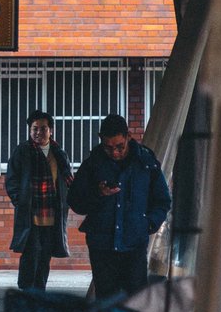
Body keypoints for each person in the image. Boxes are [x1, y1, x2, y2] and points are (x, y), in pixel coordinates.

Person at [67, 113, 171, 299]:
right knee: (106, 301)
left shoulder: (145, 162)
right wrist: (98, 194)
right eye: (108, 148)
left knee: (136, 301)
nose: (114, 152)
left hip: (135, 244)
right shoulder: (93, 164)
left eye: (119, 147)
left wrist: (147, 224)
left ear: (128, 137)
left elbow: (162, 200)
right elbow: (75, 201)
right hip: (102, 246)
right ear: (100, 140)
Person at [4, 110, 73, 290]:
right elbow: (11, 180)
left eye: (43, 129)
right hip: (30, 215)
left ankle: (39, 294)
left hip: (52, 215)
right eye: (34, 129)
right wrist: (21, 201)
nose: (38, 132)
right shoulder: (22, 151)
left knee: (45, 257)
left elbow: (68, 181)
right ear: (29, 130)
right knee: (30, 256)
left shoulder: (59, 153)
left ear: (51, 130)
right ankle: (26, 294)